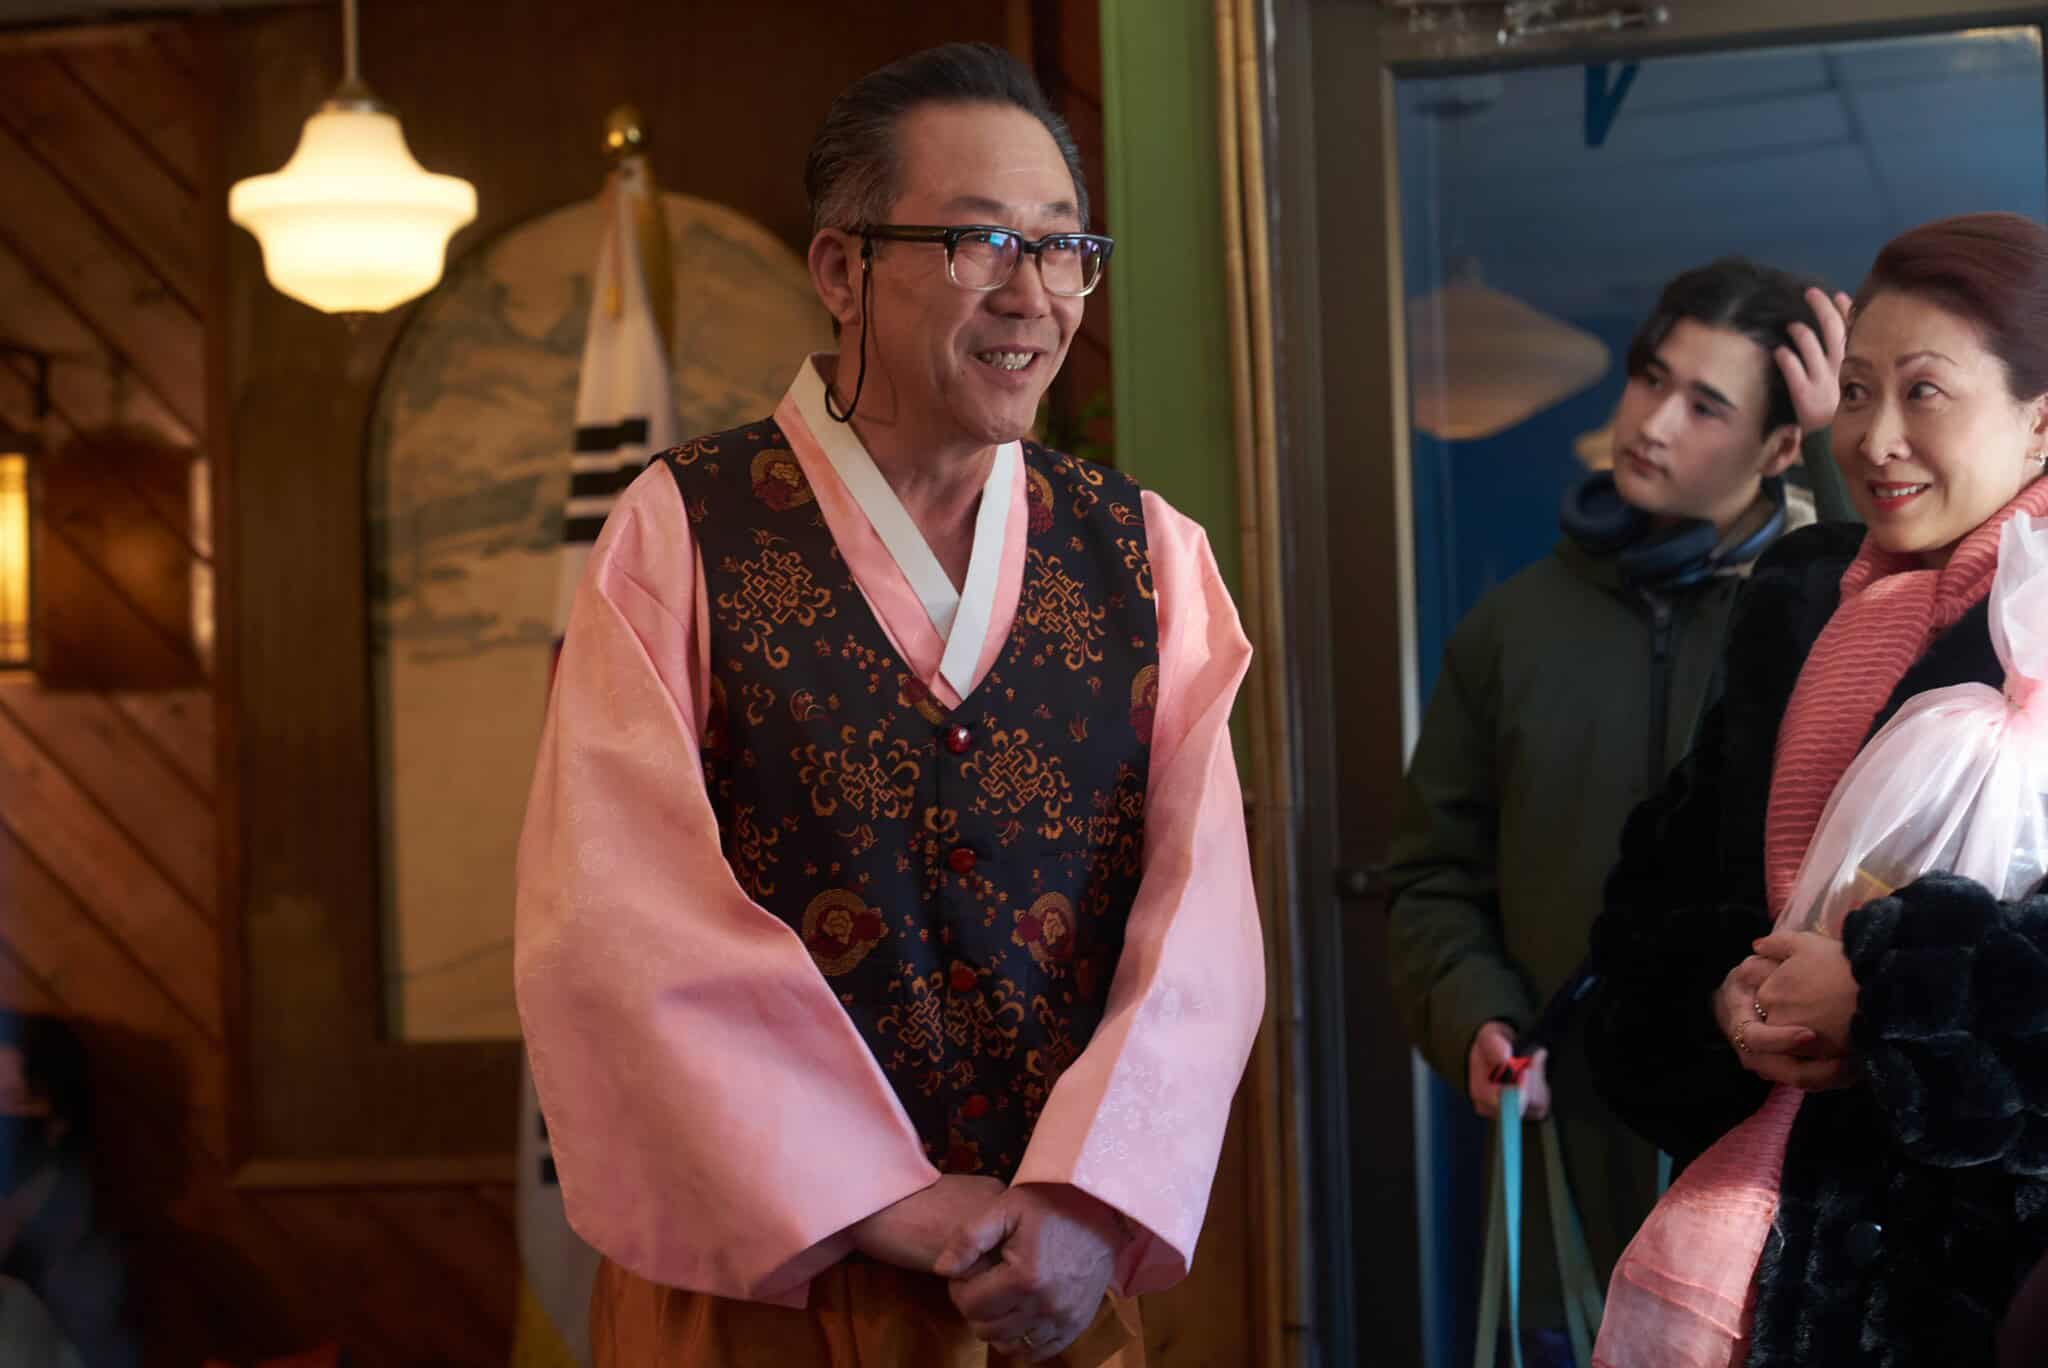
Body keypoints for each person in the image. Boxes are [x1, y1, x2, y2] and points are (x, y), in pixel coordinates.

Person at [513, 41, 1264, 1368]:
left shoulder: (1153, 558)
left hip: (1053, 1293)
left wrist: (1089, 1210)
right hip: (761, 1295)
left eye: (1063, 246)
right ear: (842, 269)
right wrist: (893, 1202)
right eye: (980, 241)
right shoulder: (681, 536)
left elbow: (1198, 937)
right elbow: (614, 924)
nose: (1033, 295)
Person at [1584, 211, 2048, 1367]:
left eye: (1924, 393)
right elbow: (1652, 901)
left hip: (1990, 1288)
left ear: (2039, 421)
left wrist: (1884, 1001)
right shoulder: (1797, 600)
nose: (1874, 439)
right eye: (1852, 392)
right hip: (1773, 1269)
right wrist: (1726, 999)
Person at [1384, 257, 1848, 1364]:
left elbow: (1918, 637)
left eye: (1704, 404)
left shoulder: (1822, 623)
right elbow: (1429, 876)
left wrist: (1836, 462)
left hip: (1766, 1171)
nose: (1650, 419)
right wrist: (1473, 1014)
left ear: (1778, 448)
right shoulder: (1510, 628)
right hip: (1563, 1159)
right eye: (1649, 377)